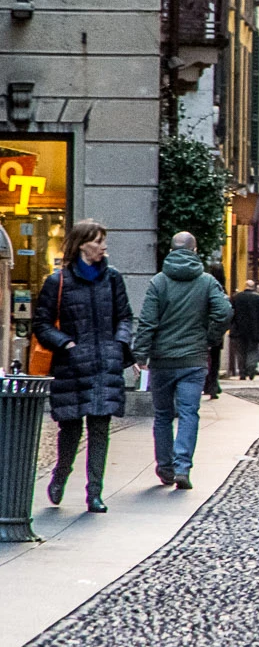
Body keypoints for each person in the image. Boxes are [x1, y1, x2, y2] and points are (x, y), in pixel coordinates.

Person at [33, 220, 132, 513]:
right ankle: (60, 476)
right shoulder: (58, 281)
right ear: (82, 245)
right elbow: (42, 324)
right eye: (99, 241)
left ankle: (94, 493)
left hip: (105, 365)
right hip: (72, 367)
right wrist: (66, 344)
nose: (104, 247)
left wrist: (119, 343)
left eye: (104, 241)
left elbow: (125, 316)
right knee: (71, 430)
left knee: (100, 428)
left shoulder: (112, 278)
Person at [130, 230, 232, 489]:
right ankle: (182, 467)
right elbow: (224, 312)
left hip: (162, 360)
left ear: (171, 250)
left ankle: (165, 467)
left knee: (163, 415)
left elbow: (147, 322)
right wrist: (209, 337)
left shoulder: (159, 282)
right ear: (195, 251)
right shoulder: (207, 282)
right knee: (189, 413)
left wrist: (140, 355)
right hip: (193, 359)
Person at [228, 276, 259, 380]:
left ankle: (242, 372)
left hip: (238, 329)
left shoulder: (236, 298)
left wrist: (230, 325)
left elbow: (230, 313)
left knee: (240, 352)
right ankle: (251, 367)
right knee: (252, 350)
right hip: (255, 330)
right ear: (253, 287)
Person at [204, 262, 228, 398]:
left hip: (205, 329)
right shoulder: (221, 289)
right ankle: (213, 384)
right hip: (217, 331)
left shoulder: (206, 285)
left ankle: (209, 384)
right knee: (215, 359)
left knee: (206, 359)